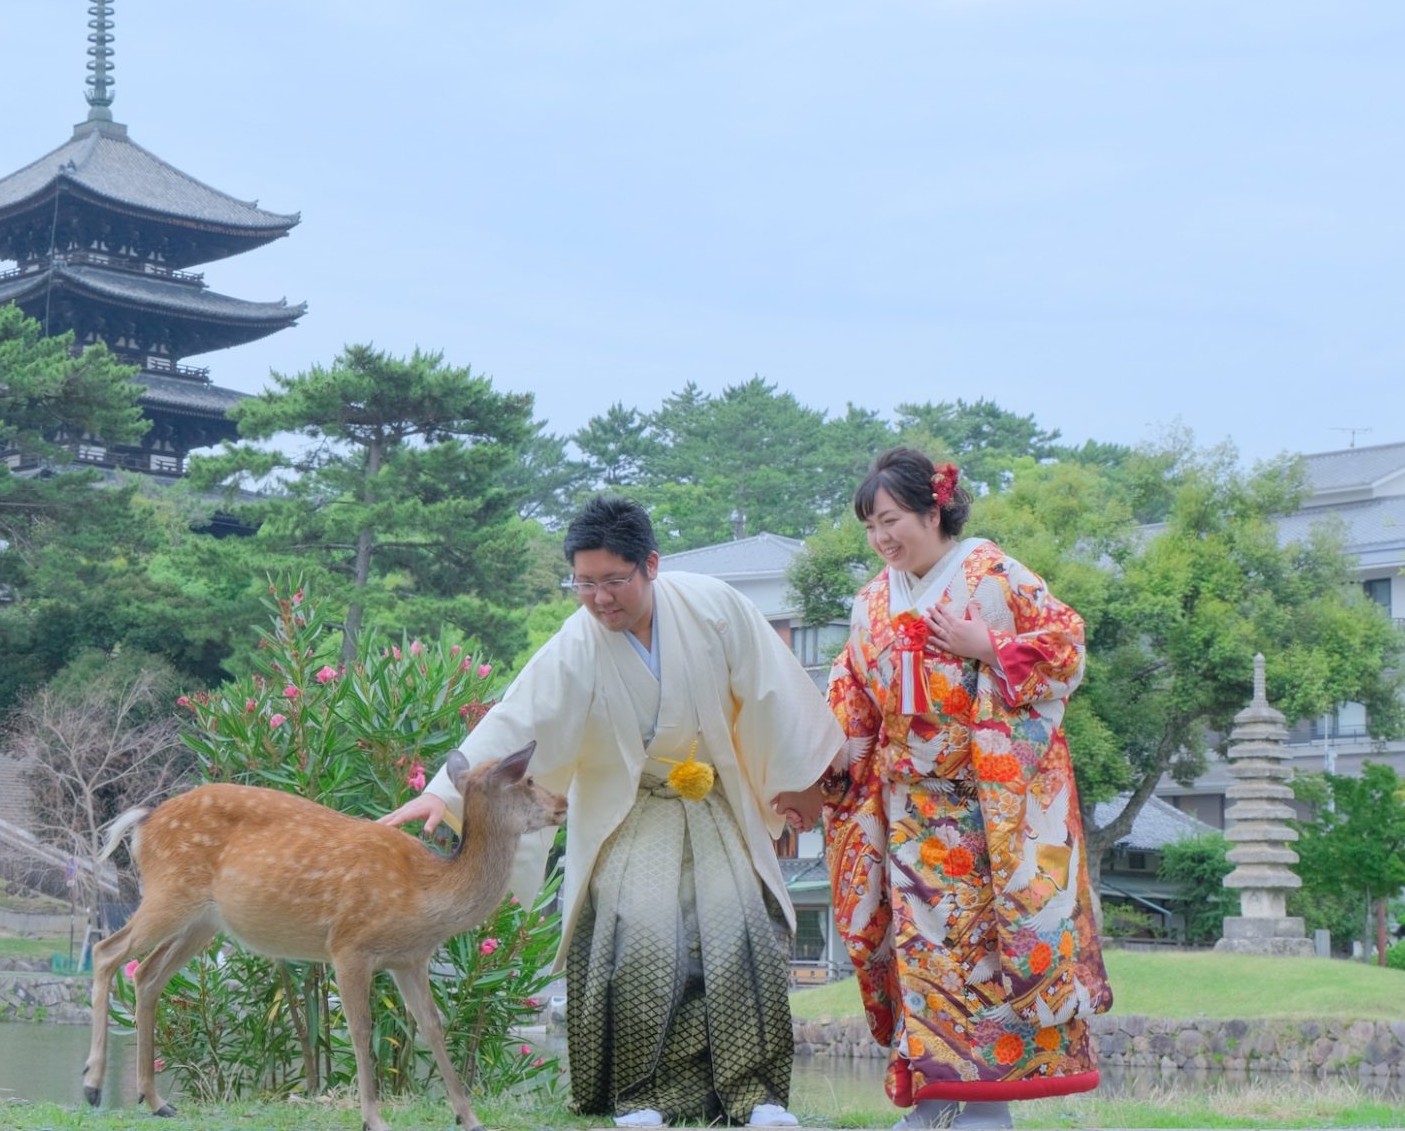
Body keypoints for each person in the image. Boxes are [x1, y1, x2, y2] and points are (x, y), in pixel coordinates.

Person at [382, 495, 842, 1130]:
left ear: (650, 565)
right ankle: (639, 1096)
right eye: (585, 583)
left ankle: (754, 1095)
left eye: (613, 581)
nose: (599, 599)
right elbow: (522, 713)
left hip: (713, 800)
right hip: (633, 806)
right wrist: (446, 791)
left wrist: (803, 779)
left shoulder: (713, 606)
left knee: (745, 925)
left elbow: (774, 688)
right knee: (642, 929)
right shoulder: (579, 641)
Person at [773, 449, 1111, 1131]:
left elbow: (1068, 645)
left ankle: (985, 1112)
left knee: (983, 960)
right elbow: (850, 694)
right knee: (917, 958)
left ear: (935, 510)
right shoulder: (872, 599)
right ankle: (930, 1103)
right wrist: (824, 763)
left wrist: (989, 644)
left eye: (891, 519)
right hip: (904, 810)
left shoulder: (992, 571)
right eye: (871, 526)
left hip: (987, 813)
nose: (881, 538)